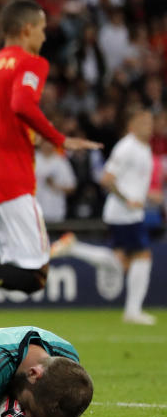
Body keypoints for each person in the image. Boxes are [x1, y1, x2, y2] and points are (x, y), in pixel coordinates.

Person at [0, 0, 101, 334]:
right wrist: (59, 138)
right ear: (26, 29)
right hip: (7, 180)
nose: (44, 36)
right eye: (41, 28)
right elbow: (22, 103)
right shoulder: (31, 62)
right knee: (34, 276)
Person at [52, 108, 158, 325]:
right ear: (131, 125)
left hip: (130, 213)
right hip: (124, 214)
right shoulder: (126, 147)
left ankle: (75, 248)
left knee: (122, 263)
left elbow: (131, 181)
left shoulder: (143, 147)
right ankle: (133, 311)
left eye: (150, 121)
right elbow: (106, 179)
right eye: (143, 121)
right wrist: (128, 199)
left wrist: (145, 195)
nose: (149, 125)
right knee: (143, 256)